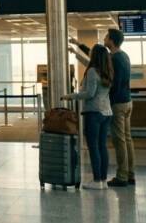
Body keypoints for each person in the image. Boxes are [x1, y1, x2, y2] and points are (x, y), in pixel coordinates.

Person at [71, 30, 135, 187]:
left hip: (116, 104)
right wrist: (78, 46)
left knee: (119, 140)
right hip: (127, 102)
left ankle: (122, 176)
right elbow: (96, 58)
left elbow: (109, 80)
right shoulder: (123, 56)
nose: (104, 39)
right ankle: (130, 173)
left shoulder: (114, 59)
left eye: (106, 37)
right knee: (127, 139)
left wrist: (104, 98)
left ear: (111, 41)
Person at [62, 44, 114, 190]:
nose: (89, 55)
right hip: (106, 112)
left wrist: (70, 96)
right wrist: (75, 52)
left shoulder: (92, 71)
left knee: (93, 147)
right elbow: (87, 64)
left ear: (95, 56)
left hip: (94, 113)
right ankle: (103, 179)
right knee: (102, 146)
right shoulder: (107, 70)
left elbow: (89, 94)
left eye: (91, 53)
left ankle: (97, 180)